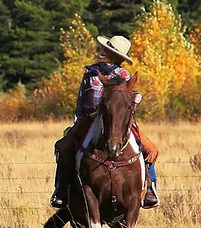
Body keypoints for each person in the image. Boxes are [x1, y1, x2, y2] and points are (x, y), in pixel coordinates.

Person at [50, 35, 160, 210]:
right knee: (64, 146)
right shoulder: (90, 72)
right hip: (89, 118)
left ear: (115, 56)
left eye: (107, 51)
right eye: (105, 50)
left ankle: (148, 188)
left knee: (147, 147)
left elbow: (127, 102)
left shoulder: (124, 75)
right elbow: (81, 100)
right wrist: (77, 125)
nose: (103, 53)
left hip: (119, 119)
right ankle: (61, 190)